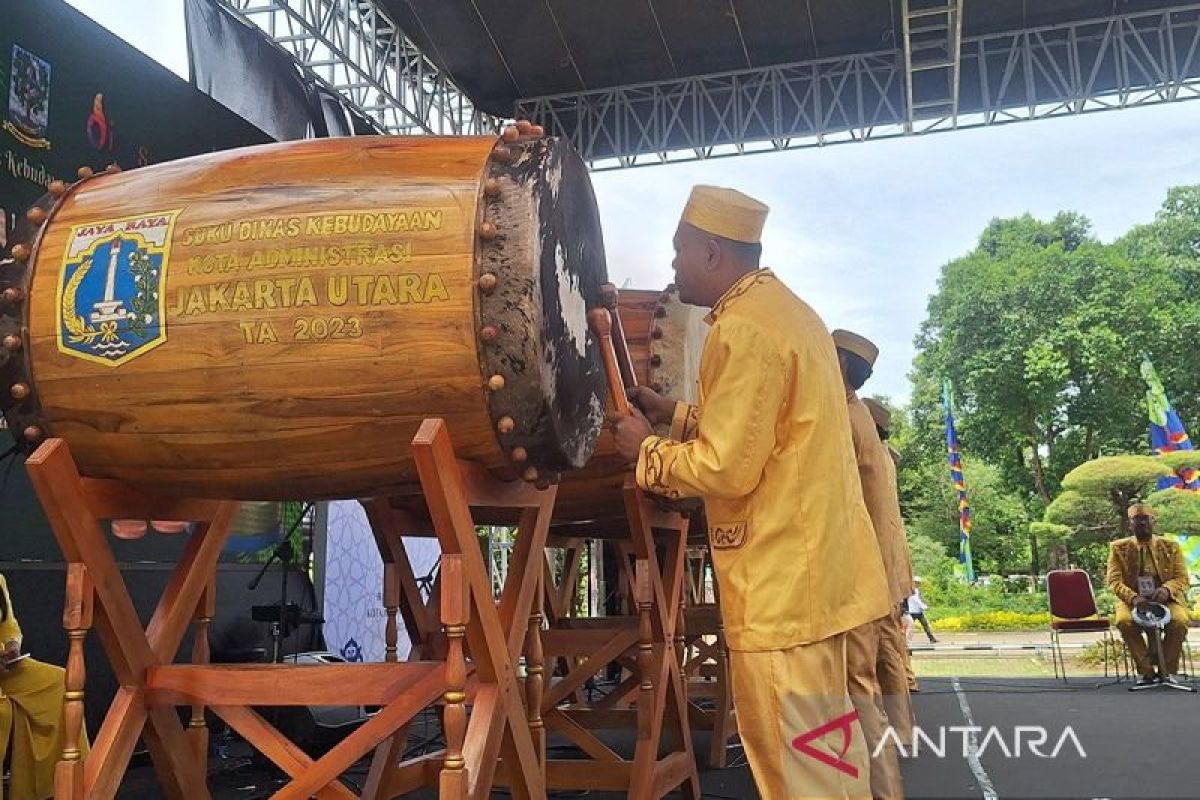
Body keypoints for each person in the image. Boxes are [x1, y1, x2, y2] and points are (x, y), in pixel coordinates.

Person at [613, 184, 889, 799]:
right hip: (822, 583)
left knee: (802, 777)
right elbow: (771, 429)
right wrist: (677, 416)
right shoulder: (788, 312)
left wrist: (646, 451)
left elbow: (727, 470)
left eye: (679, 251)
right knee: (830, 764)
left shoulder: (742, 330)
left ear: (713, 252)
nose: (673, 265)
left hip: (784, 591)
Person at [830, 332, 907, 797]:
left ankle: (881, 789)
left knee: (857, 687)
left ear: (837, 364)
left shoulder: (845, 418)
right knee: (873, 675)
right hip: (874, 575)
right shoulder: (856, 418)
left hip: (862, 576)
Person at [0, 573, 88, 799]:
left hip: (4, 667)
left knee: (61, 682)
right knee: (2, 710)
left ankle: (72, 780)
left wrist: (12, 646)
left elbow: (9, 625)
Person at [1107, 503, 1191, 687]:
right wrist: (1133, 598)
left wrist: (1167, 589)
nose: (1141, 524)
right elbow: (1114, 581)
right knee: (1124, 621)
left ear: (1154, 522)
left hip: (1167, 600)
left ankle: (1166, 672)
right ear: (1130, 524)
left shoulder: (1171, 546)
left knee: (1179, 620)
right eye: (1136, 520)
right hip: (1133, 601)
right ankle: (1146, 672)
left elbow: (1182, 578)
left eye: (1145, 519)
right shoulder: (1118, 548)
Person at [904, 578, 937, 643]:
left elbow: (919, 599)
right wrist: (924, 606)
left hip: (918, 611)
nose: (919, 584)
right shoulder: (912, 590)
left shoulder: (917, 590)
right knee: (910, 626)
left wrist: (923, 606)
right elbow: (916, 600)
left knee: (925, 624)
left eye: (919, 583)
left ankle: (932, 638)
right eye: (918, 582)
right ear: (914, 583)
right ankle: (907, 640)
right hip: (912, 611)